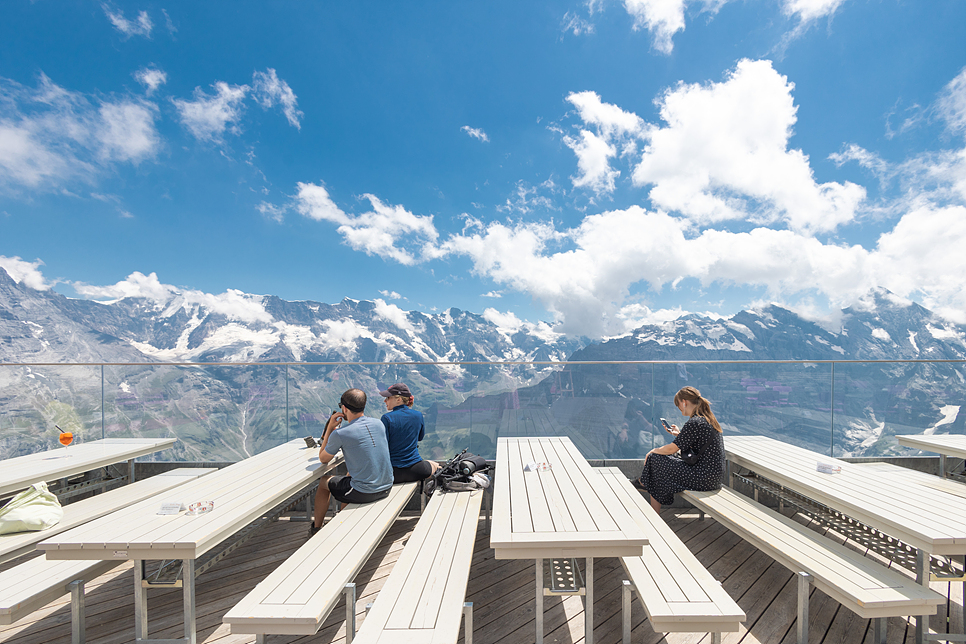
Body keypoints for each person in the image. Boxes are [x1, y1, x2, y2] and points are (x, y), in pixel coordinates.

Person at [311, 388, 393, 537]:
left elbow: (323, 458)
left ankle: (316, 528)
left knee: (324, 482)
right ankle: (343, 524)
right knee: (349, 479)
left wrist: (330, 428)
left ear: (344, 408)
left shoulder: (340, 433)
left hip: (365, 491)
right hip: (387, 486)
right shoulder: (379, 423)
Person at [634, 386, 724, 513]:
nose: (679, 408)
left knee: (655, 459)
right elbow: (698, 444)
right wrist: (679, 435)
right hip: (713, 478)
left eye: (678, 405)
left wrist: (653, 450)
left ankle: (645, 485)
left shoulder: (694, 422)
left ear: (684, 402)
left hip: (703, 478)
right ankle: (645, 484)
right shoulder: (707, 419)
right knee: (657, 467)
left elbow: (671, 449)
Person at [379, 382, 441, 483]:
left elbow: (383, 445)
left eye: (388, 398)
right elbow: (420, 437)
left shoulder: (386, 418)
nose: (385, 400)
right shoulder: (418, 415)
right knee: (435, 465)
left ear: (398, 399)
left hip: (394, 473)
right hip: (417, 470)